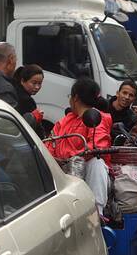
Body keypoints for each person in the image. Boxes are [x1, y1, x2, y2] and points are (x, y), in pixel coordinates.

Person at [45, 78, 113, 215]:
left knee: (97, 162)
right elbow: (50, 143)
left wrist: (72, 157)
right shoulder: (65, 120)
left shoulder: (97, 118)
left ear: (75, 97)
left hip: (85, 170)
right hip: (63, 170)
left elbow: (97, 145)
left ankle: (97, 213)